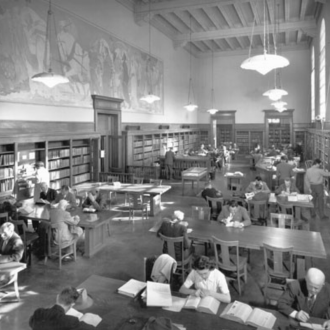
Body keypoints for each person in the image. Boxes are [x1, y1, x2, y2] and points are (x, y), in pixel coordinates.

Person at [29, 286, 95, 330]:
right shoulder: (71, 321)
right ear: (72, 305)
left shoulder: (38, 313)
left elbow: (31, 323)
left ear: (57, 297)